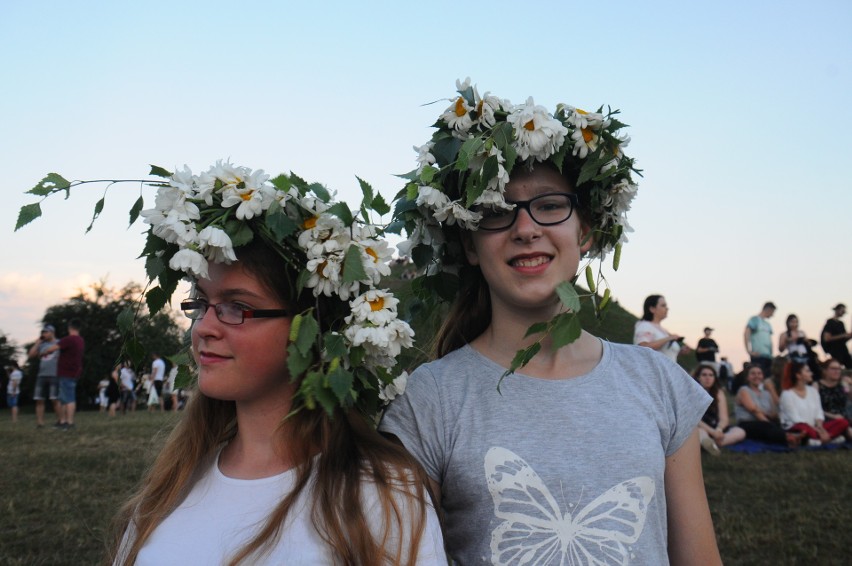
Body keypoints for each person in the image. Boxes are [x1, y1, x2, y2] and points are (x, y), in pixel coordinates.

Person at [381, 81, 721, 564]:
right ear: (470, 246)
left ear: (584, 231)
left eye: (550, 205)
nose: (525, 228)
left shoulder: (658, 382)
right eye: (495, 210)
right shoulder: (430, 400)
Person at [109, 163, 445, 565]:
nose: (204, 328)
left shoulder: (380, 495)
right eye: (200, 303)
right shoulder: (171, 486)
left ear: (312, 327)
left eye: (237, 307)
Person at [780, 361, 850, 445]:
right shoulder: (787, 394)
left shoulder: (812, 391)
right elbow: (795, 419)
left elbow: (818, 412)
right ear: (798, 375)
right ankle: (826, 439)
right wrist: (817, 430)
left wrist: (820, 428)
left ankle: (817, 440)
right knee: (803, 429)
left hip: (815, 427)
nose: (811, 373)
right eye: (807, 371)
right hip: (798, 427)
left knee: (843, 422)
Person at [734, 364, 797, 447]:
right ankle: (788, 438)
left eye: (759, 373)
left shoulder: (766, 393)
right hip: (748, 423)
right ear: (748, 377)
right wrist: (768, 421)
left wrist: (771, 390)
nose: (756, 376)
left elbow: (774, 412)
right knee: (767, 427)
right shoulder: (744, 390)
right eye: (753, 374)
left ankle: (793, 436)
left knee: (780, 423)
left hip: (765, 422)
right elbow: (753, 410)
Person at [42, 319, 85, 431]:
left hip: (66, 372)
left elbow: (52, 349)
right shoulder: (80, 340)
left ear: (69, 328)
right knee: (64, 398)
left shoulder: (68, 339)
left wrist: (44, 351)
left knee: (69, 398)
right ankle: (64, 422)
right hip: (75, 372)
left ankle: (69, 423)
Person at [693, 364, 745, 455]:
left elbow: (724, 418)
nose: (708, 378)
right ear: (698, 377)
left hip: (716, 427)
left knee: (740, 432)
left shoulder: (718, 393)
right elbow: (695, 420)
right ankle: (708, 443)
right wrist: (712, 432)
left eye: (711, 375)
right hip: (701, 427)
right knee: (698, 432)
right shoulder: (692, 393)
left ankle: (714, 444)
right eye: (704, 375)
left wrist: (719, 430)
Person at [633, 295, 692, 362]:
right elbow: (642, 347)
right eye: (663, 305)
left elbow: (665, 354)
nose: (667, 308)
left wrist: (681, 351)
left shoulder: (663, 330)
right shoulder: (645, 325)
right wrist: (669, 338)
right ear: (652, 309)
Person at [27, 324, 60, 428]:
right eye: (43, 332)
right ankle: (40, 423)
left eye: (46, 332)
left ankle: (60, 420)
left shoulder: (59, 343)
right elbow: (31, 355)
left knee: (55, 399)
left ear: (52, 332)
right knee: (39, 399)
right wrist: (37, 344)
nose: (44, 334)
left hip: (55, 374)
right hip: (41, 375)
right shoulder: (41, 344)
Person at [744, 301, 776, 380]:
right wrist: (749, 351)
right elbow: (746, 334)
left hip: (768, 356)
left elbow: (770, 340)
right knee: (758, 378)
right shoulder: (754, 320)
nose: (772, 315)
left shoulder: (768, 324)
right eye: (772, 312)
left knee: (768, 379)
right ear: (769, 309)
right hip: (758, 355)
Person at [817, 359, 852, 427]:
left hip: (846, 418)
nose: (837, 371)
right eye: (833, 368)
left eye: (839, 369)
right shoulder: (817, 386)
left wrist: (849, 385)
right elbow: (815, 409)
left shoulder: (842, 384)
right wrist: (833, 416)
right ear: (825, 370)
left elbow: (849, 396)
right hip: (828, 420)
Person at [821, 303, 852, 368]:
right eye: (842, 311)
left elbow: (844, 339)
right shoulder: (830, 322)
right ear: (837, 310)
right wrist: (843, 335)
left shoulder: (841, 323)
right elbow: (826, 338)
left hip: (843, 349)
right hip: (835, 350)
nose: (843, 313)